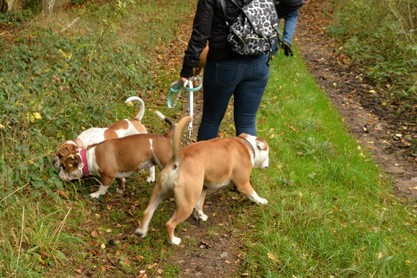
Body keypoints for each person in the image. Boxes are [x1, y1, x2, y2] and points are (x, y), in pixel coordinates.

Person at [180, 0, 272, 141]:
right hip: (258, 60)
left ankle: (205, 162)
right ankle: (245, 163)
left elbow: (200, 34)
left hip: (223, 64)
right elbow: (292, 3)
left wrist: (187, 69)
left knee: (211, 119)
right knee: (247, 121)